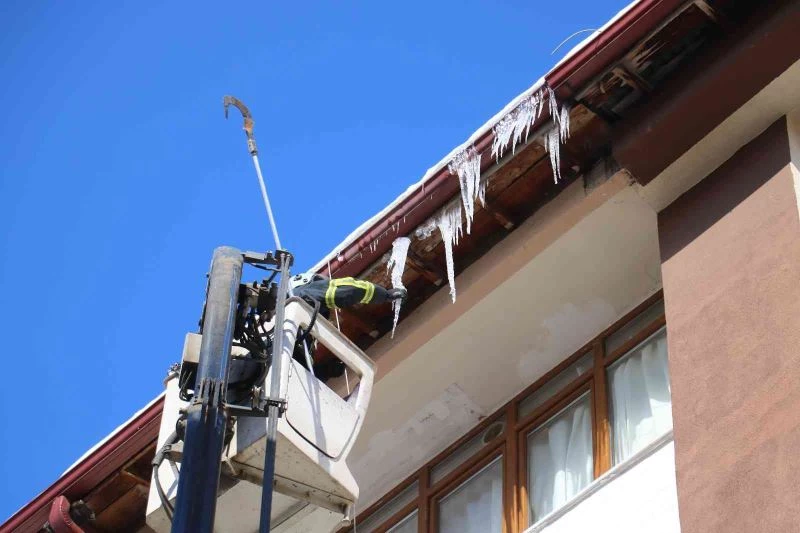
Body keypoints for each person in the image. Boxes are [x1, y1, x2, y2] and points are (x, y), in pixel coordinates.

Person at [289, 272, 407, 380]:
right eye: (321, 283)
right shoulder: (305, 292)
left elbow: (299, 375)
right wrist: (385, 295)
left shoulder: (291, 332)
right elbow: (348, 289)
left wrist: (326, 371)